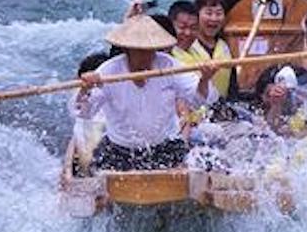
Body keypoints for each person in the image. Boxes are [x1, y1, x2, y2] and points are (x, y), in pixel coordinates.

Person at [74, 14, 218, 171]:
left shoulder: (169, 65)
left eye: (150, 50)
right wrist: (85, 89)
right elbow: (84, 112)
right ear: (128, 50)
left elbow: (199, 100)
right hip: (120, 149)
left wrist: (204, 79)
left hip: (164, 145)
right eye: (140, 51)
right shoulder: (109, 71)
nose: (147, 56)